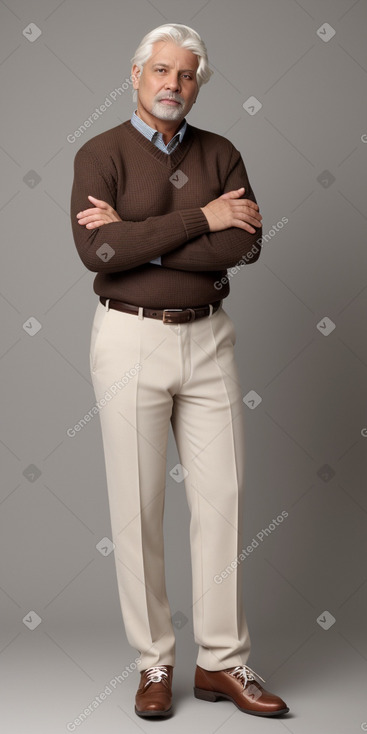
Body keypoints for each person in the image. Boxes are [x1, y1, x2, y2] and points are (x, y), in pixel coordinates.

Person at [70, 22, 289, 719]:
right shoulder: (98, 153)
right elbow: (97, 256)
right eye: (160, 70)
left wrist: (138, 238)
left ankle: (222, 662)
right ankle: (154, 663)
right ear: (135, 74)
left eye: (186, 74)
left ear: (198, 84)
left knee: (221, 503)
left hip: (208, 340)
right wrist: (201, 218)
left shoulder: (221, 151)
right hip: (129, 340)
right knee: (137, 509)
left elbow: (246, 248)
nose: (172, 84)